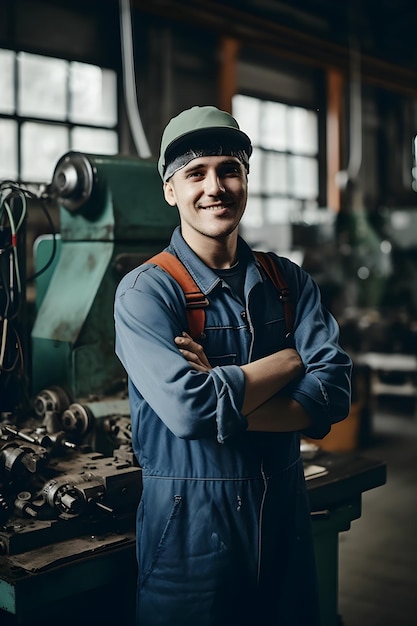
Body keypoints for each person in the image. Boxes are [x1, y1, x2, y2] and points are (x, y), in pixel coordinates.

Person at [114, 105, 352, 626]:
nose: (214, 187)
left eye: (229, 169)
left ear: (246, 179)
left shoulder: (289, 283)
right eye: (195, 173)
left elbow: (333, 395)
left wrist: (220, 395)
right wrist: (290, 363)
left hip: (284, 521)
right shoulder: (146, 292)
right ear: (170, 190)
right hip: (190, 537)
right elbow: (188, 410)